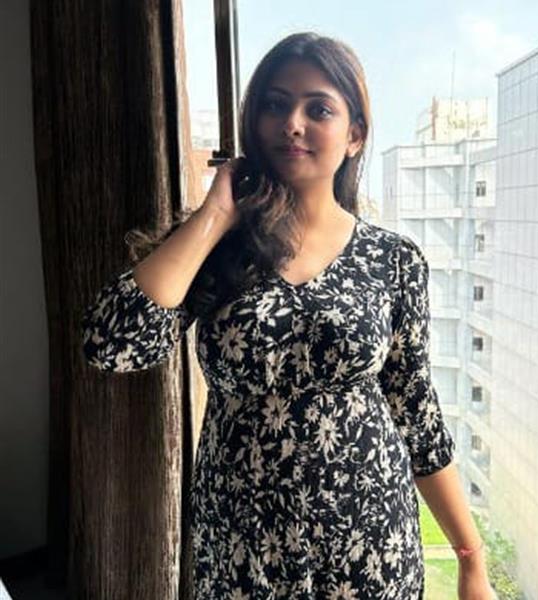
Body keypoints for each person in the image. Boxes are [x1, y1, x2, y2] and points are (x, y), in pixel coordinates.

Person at [81, 31, 493, 600]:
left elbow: (416, 413)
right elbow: (112, 346)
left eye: (317, 109)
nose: (291, 124)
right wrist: (214, 215)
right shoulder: (216, 250)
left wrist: (471, 558)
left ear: (354, 136)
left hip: (369, 544)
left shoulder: (393, 260)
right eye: (275, 105)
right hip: (241, 548)